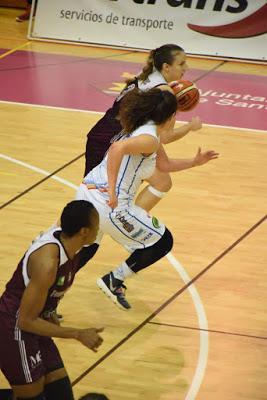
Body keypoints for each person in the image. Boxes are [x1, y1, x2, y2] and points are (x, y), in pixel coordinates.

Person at [77, 88, 218, 310]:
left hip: (87, 191)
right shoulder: (149, 138)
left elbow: (164, 166)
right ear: (170, 116)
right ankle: (113, 279)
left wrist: (194, 162)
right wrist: (113, 192)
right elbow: (116, 149)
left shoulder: (147, 130)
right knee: (162, 241)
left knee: (87, 248)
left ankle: (48, 296)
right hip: (109, 203)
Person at [0, 200, 104, 400]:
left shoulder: (71, 247)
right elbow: (25, 320)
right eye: (96, 226)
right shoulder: (48, 262)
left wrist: (48, 313)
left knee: (61, 393)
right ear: (84, 231)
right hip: (13, 326)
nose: (98, 230)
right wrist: (77, 333)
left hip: (35, 324)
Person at [84, 43, 203, 212]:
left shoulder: (146, 74)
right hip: (110, 142)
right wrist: (190, 126)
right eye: (182, 63)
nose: (187, 67)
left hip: (105, 134)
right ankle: (58, 232)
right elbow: (166, 137)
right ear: (166, 67)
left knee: (162, 181)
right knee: (93, 202)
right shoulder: (165, 93)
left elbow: (163, 158)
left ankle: (133, 218)